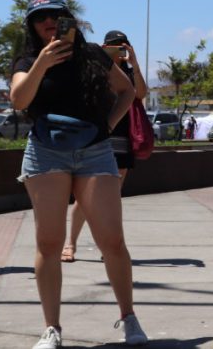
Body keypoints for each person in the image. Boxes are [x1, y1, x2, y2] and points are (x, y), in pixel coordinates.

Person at [9, 0, 147, 348]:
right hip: (45, 154)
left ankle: (128, 317)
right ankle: (51, 328)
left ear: (68, 18)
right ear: (32, 26)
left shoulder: (92, 55)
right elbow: (19, 100)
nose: (49, 22)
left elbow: (127, 91)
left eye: (56, 15)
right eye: (40, 18)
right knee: (49, 242)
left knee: (112, 240)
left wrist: (105, 125)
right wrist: (41, 63)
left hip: (94, 152)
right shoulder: (28, 59)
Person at [61, 30, 147, 264]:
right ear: (103, 46)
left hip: (121, 139)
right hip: (95, 136)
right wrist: (100, 57)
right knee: (82, 197)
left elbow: (140, 94)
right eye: (113, 46)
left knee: (111, 197)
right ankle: (70, 244)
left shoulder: (129, 72)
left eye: (122, 45)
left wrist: (135, 63)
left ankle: (108, 246)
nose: (118, 50)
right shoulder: (95, 67)